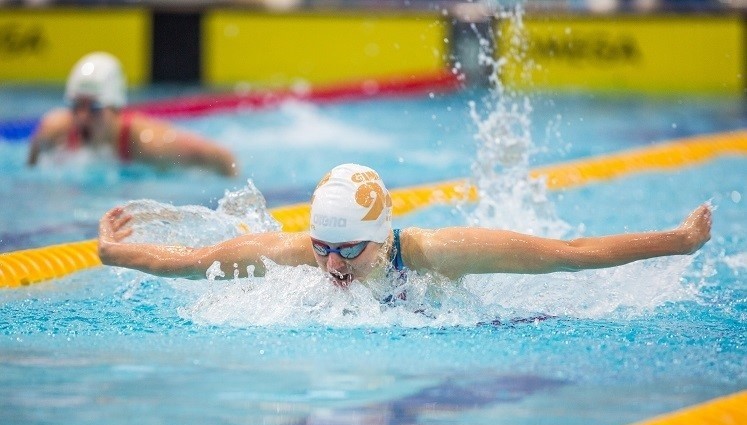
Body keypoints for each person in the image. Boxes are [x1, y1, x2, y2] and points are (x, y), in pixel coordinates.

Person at [98, 163, 713, 293]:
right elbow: (190, 260)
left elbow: (572, 254)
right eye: (323, 248)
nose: (333, 266)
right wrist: (114, 254)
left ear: (384, 237)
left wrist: (680, 241)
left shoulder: (439, 254)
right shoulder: (292, 254)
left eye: (349, 251)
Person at [28, 52, 239, 177]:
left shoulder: (150, 142)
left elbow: (224, 158)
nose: (82, 117)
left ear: (116, 109)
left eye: (94, 108)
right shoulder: (53, 129)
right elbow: (32, 166)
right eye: (75, 106)